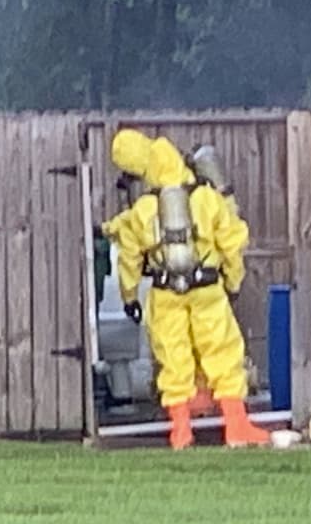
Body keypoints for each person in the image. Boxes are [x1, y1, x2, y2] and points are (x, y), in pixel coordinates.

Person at [105, 128, 269, 449]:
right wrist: (233, 281)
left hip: (166, 292)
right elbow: (232, 242)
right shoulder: (206, 198)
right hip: (207, 289)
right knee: (222, 353)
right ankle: (237, 427)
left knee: (173, 357)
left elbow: (129, 258)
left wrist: (130, 297)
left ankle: (181, 432)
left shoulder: (143, 209)